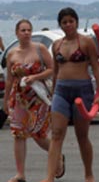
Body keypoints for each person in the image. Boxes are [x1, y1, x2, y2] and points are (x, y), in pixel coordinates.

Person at [41, 8, 99, 182]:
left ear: (76, 22)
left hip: (82, 90)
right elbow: (55, 71)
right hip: (61, 90)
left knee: (81, 135)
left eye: (71, 21)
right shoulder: (57, 45)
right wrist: (53, 94)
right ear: (60, 24)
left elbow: (97, 68)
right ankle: (49, 177)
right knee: (56, 134)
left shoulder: (86, 43)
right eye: (64, 22)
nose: (68, 25)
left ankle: (88, 174)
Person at [4, 19, 63, 182]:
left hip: (38, 97)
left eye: (29, 30)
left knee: (38, 134)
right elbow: (9, 79)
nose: (27, 33)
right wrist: (6, 100)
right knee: (18, 134)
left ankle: (57, 156)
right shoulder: (12, 54)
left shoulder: (40, 49)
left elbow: (52, 69)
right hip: (19, 98)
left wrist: (35, 76)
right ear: (17, 33)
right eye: (23, 30)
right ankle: (20, 173)